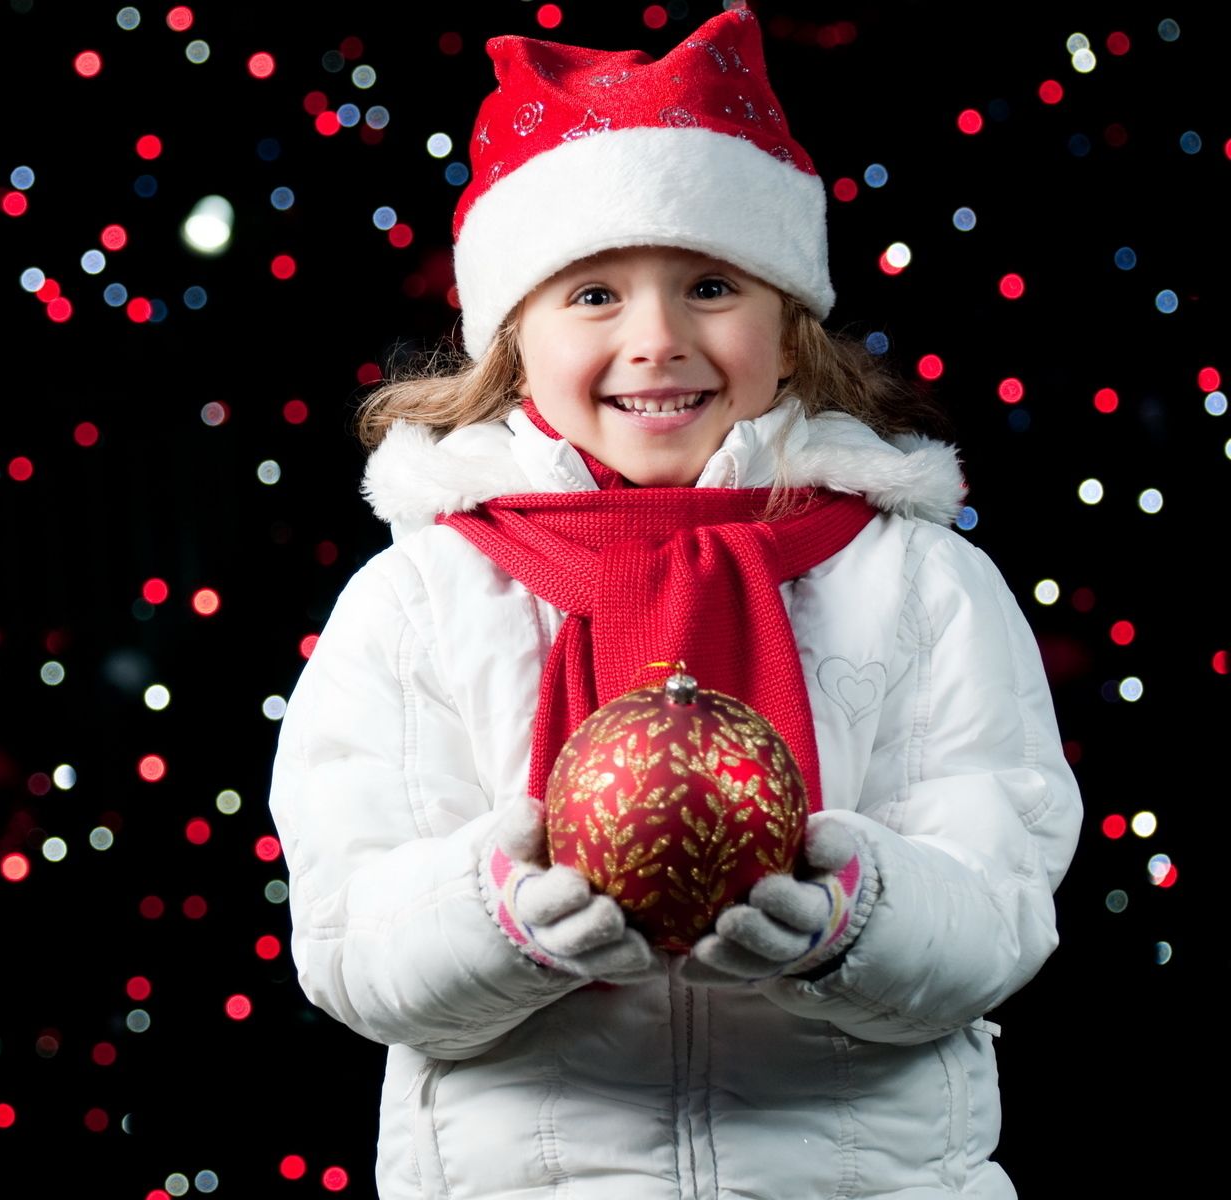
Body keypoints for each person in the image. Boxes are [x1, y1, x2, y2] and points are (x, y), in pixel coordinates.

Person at [266, 9, 1081, 1198]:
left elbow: (1001, 907)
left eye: (709, 285)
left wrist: (849, 914)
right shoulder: (423, 599)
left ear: (791, 333)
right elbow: (352, 943)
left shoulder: (920, 582)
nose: (657, 339)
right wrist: (510, 914)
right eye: (592, 295)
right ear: (512, 344)